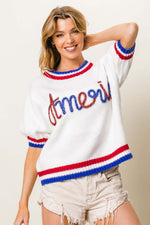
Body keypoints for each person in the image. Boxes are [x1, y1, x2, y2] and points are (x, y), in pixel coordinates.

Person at [14, 6, 141, 225]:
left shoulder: (106, 70)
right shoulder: (41, 88)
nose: (68, 39)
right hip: (61, 189)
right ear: (51, 41)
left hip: (105, 184)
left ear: (82, 32)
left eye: (74, 31)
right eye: (60, 35)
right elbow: (35, 147)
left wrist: (88, 40)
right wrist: (23, 203)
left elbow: (130, 30)